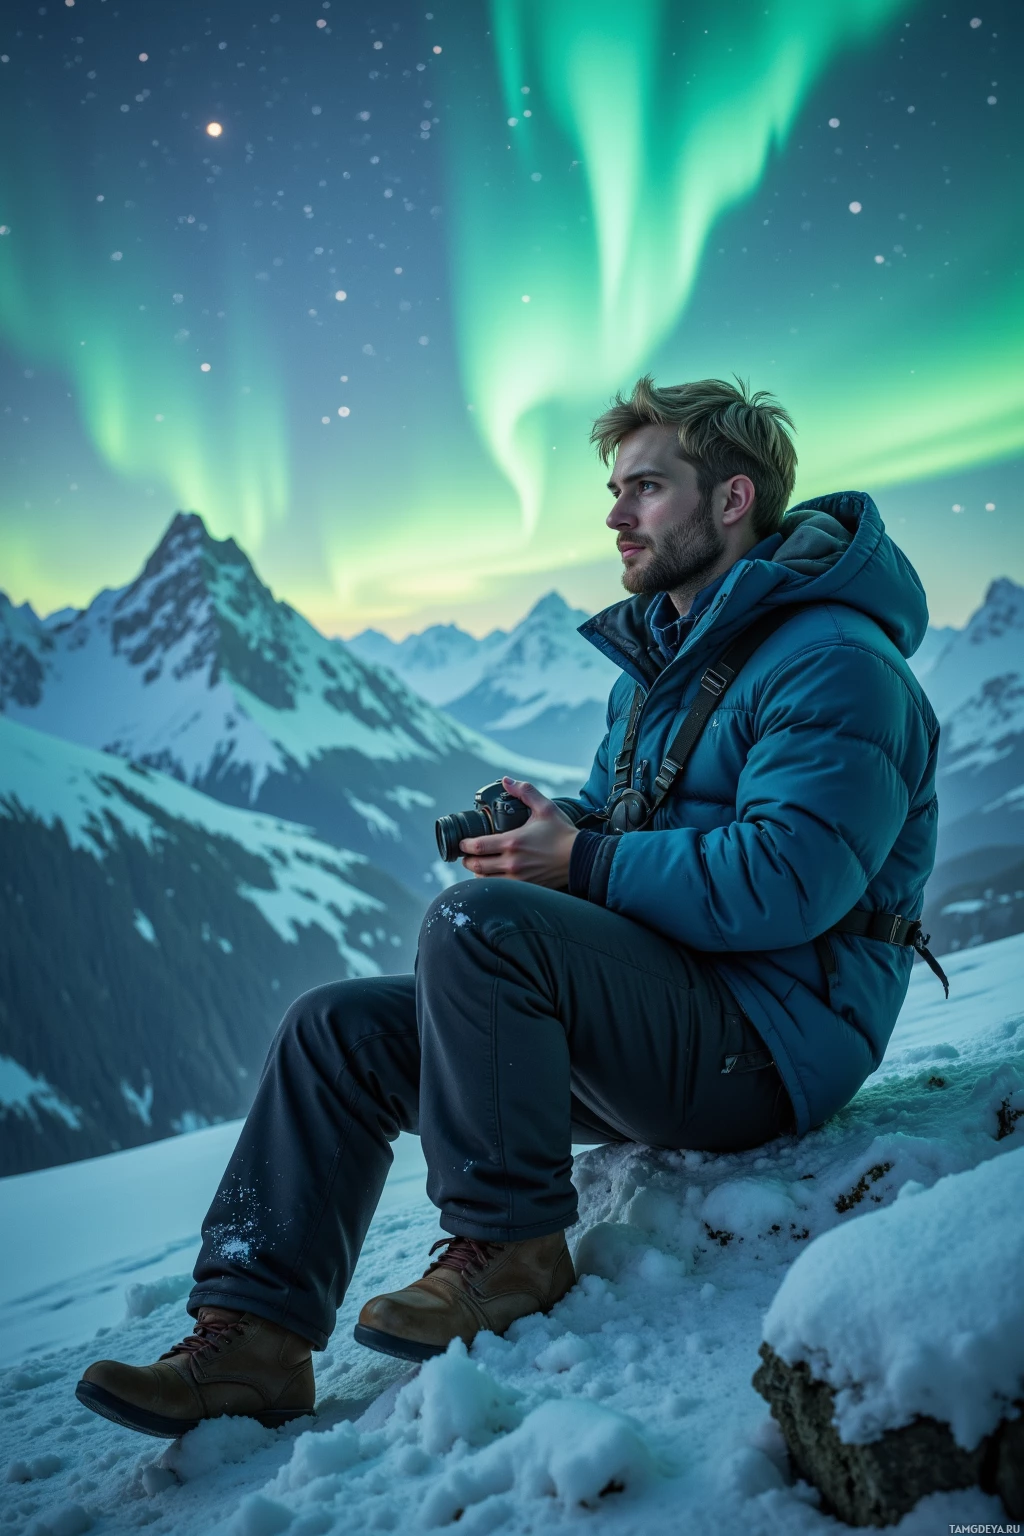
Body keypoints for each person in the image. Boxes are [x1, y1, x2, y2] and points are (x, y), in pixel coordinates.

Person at [77, 376, 941, 1438]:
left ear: (730, 500)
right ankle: (250, 1336)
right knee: (334, 1029)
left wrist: (577, 862)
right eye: (615, 490)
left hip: (769, 1041)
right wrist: (555, 821)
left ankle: (510, 1248)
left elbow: (788, 880)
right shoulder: (662, 663)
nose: (615, 514)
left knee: (477, 928)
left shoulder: (837, 662)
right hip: (674, 1007)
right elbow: (648, 819)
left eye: (646, 488)